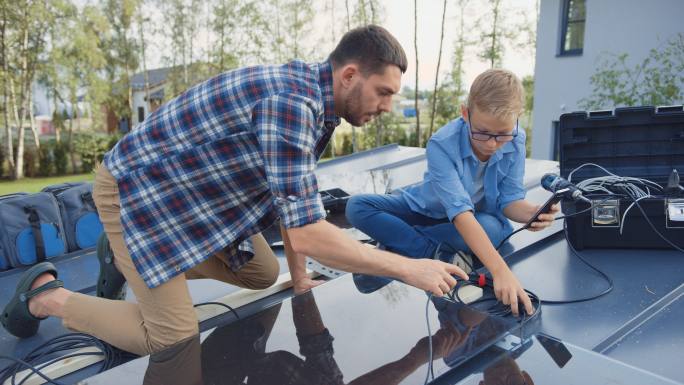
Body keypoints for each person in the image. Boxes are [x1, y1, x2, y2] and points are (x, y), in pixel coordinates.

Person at [1, 25, 467, 356]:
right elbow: (306, 231)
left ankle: (122, 255)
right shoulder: (292, 104)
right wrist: (409, 269)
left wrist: (300, 280)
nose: (387, 105)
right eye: (383, 92)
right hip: (137, 193)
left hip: (188, 201)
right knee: (171, 337)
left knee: (263, 273)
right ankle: (46, 296)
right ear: (348, 75)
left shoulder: (317, 106)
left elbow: (292, 200)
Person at [346, 69, 559, 316]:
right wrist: (501, 272)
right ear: (465, 113)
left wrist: (531, 212)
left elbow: (509, 201)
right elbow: (459, 213)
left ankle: (401, 243)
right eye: (482, 132)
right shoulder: (441, 143)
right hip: (429, 211)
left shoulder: (516, 140)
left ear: (517, 119)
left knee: (492, 229)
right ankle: (430, 251)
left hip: (480, 220)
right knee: (357, 206)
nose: (492, 143)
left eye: (502, 135)